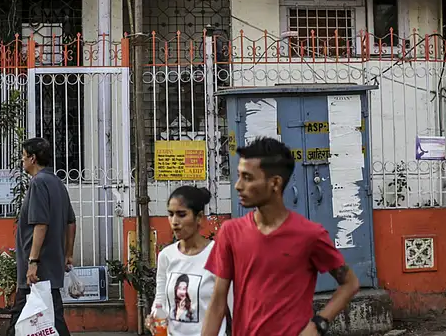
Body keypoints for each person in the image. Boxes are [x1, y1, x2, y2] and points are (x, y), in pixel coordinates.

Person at [201, 137, 360, 336]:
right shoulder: (230, 232)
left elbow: (350, 283)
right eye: (238, 176)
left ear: (275, 183)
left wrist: (318, 324)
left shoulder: (310, 235)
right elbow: (217, 302)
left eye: (248, 178)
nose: (238, 186)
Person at [12, 137, 77, 336]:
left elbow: (41, 224)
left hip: (38, 270)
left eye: (23, 157)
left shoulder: (39, 183)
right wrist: (68, 254)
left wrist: (33, 261)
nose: (22, 161)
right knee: (50, 318)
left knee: (23, 318)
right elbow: (71, 222)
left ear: (32, 158)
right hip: (51, 266)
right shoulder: (57, 183)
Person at [149, 186, 232, 335]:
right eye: (170, 214)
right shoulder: (166, 256)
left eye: (181, 215)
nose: (174, 221)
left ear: (199, 217)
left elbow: (232, 307)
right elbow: (160, 300)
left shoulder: (218, 254)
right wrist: (154, 316)